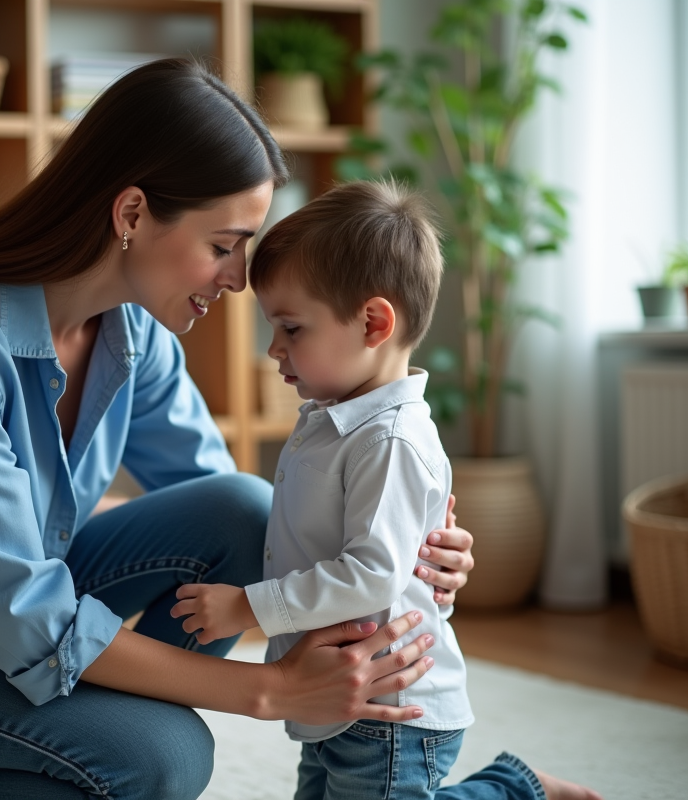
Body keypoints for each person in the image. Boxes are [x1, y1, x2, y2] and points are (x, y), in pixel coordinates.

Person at [0, 59, 572, 800]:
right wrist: (271, 692)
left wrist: (404, 554)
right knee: (160, 762)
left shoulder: (134, 338)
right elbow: (26, 616)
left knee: (242, 509)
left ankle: (27, 742)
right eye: (226, 245)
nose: (241, 281)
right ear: (131, 213)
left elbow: (254, 532)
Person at [171, 181, 601, 800]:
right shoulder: (335, 418)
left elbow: (371, 574)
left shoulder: (389, 442)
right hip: (338, 698)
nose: (274, 349)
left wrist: (248, 608)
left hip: (389, 707)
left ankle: (515, 789)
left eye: (292, 328)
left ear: (373, 322)